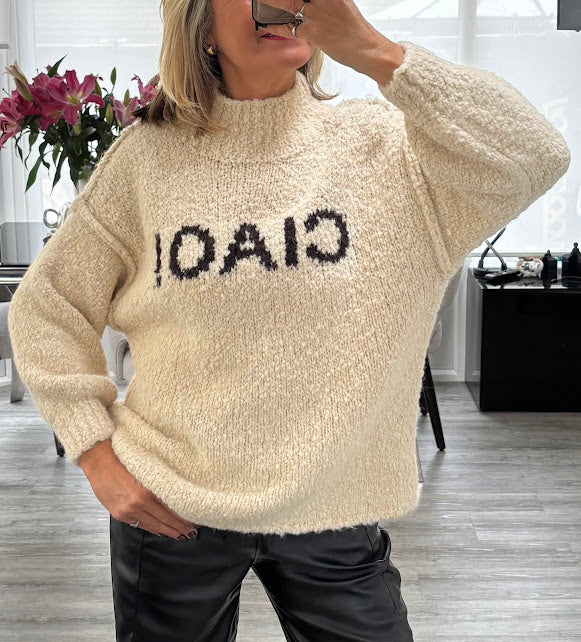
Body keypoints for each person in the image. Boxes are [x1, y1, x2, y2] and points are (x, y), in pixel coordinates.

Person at [7, 0, 570, 639]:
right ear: (200, 24)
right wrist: (96, 455)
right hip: (171, 504)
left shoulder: (388, 149)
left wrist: (375, 50)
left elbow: (536, 154)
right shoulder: (145, 162)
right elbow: (48, 307)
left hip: (337, 507)